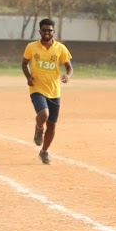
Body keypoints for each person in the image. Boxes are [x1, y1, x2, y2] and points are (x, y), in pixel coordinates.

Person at [22, 18, 73, 165]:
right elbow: (24, 63)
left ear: (53, 31)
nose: (47, 32)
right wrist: (28, 77)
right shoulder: (31, 47)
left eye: (49, 30)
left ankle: (44, 151)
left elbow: (69, 67)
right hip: (37, 88)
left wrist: (67, 76)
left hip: (54, 91)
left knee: (52, 125)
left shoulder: (60, 48)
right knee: (43, 114)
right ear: (40, 31)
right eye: (44, 30)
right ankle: (39, 128)